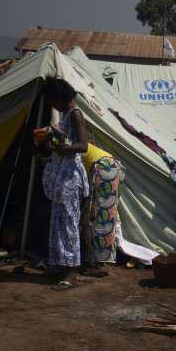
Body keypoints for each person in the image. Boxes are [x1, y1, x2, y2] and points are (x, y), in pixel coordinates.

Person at [39, 78, 89, 286]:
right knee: (59, 222)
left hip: (70, 178)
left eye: (52, 100)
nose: (52, 104)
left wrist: (60, 148)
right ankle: (60, 264)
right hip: (62, 177)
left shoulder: (75, 114)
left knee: (69, 224)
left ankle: (72, 270)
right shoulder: (66, 115)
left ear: (59, 97)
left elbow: (83, 146)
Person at [80, 143, 124, 272]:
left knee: (101, 215)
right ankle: (94, 260)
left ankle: (99, 264)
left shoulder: (65, 142)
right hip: (106, 166)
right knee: (96, 214)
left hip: (104, 167)